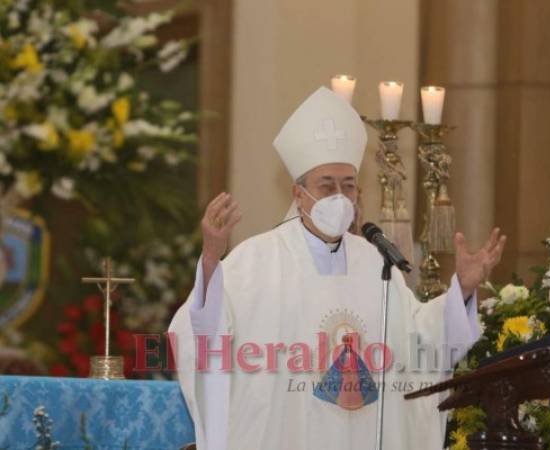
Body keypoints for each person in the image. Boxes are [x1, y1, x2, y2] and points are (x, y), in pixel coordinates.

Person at [169, 87, 506, 450]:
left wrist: (463, 291)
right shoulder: (257, 261)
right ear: (299, 195)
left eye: (348, 187)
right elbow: (200, 332)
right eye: (326, 186)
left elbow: (419, 339)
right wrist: (210, 259)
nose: (339, 197)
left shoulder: (377, 262)